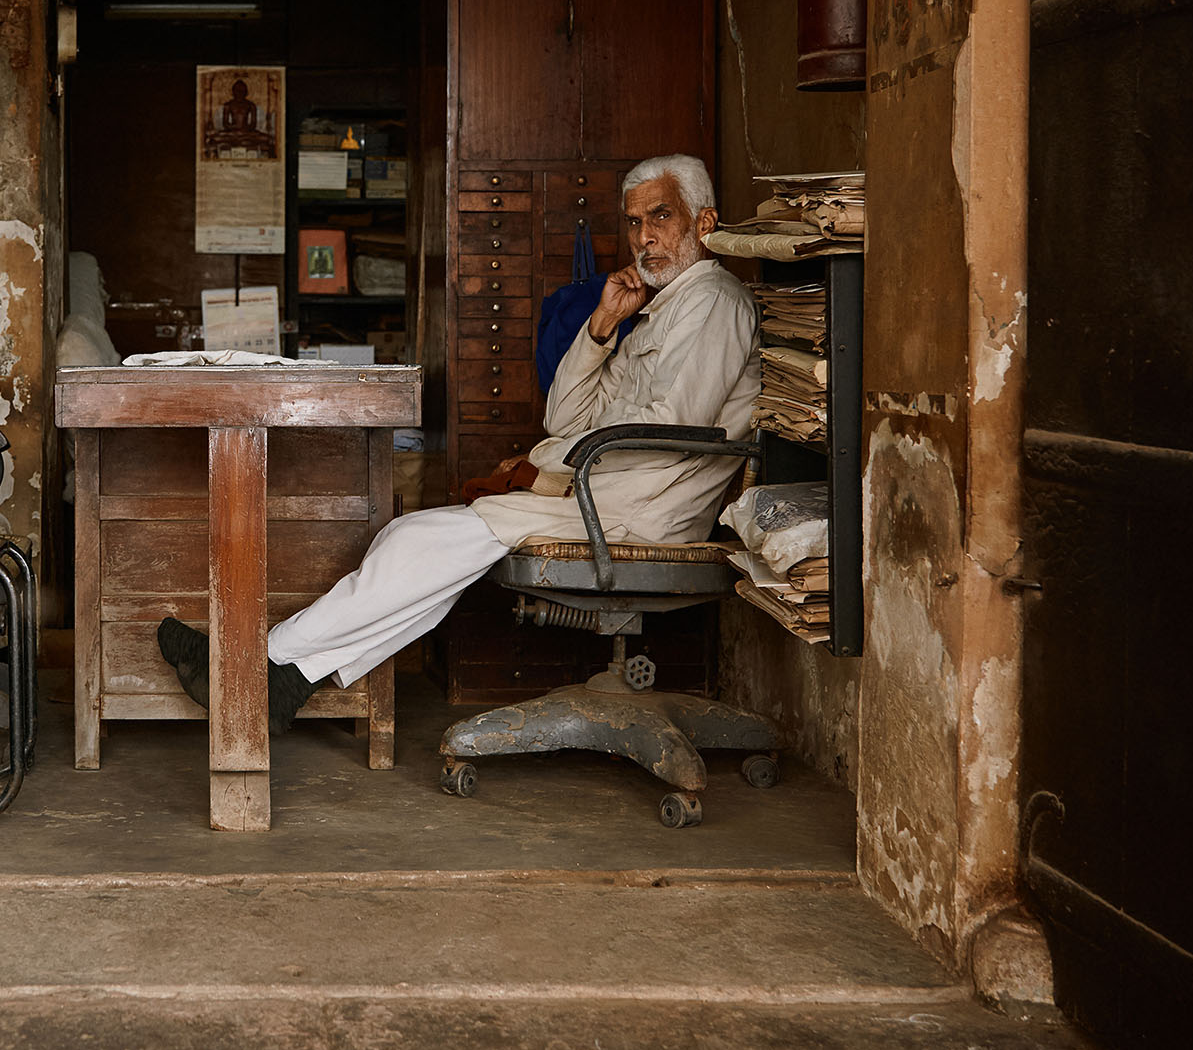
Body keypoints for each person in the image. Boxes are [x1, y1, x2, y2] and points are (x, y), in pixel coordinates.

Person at [158, 152, 761, 727]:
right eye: (633, 221)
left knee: (419, 542)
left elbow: (668, 426)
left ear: (704, 222)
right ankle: (287, 683)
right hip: (606, 495)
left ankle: (250, 670)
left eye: (661, 216)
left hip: (638, 509)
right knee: (411, 538)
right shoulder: (660, 308)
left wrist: (549, 462)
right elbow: (567, 416)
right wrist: (601, 325)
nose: (643, 236)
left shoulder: (710, 300)